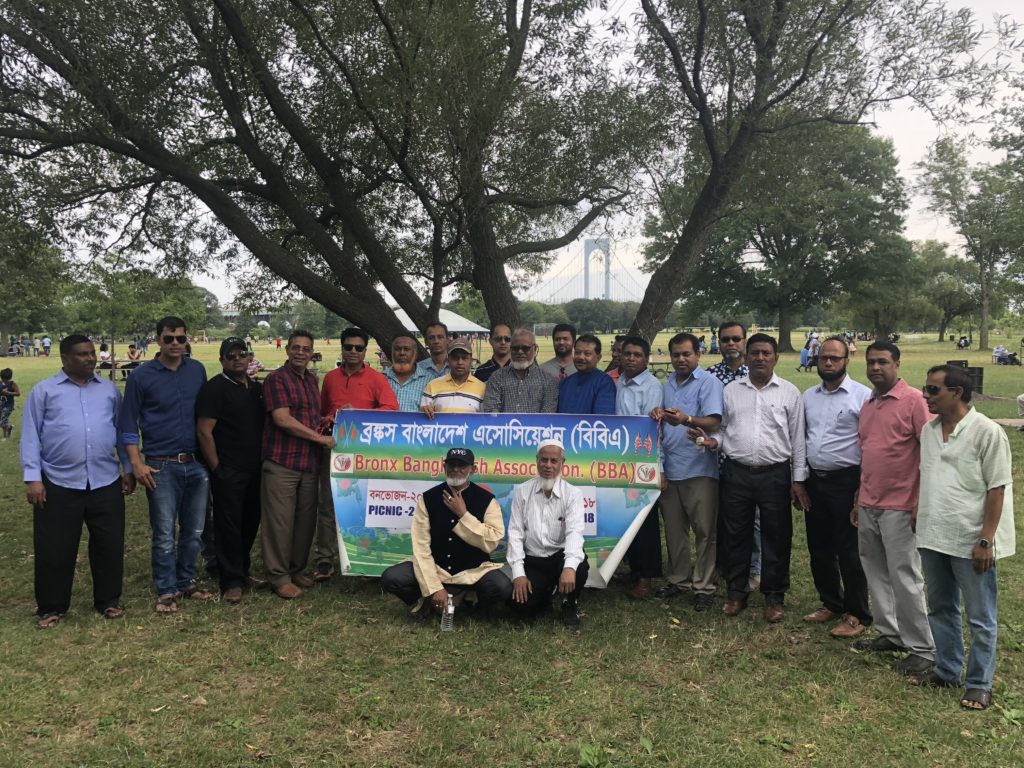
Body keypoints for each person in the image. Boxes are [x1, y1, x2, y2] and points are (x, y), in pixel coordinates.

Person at [915, 365, 1015, 710]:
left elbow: (997, 488)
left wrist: (986, 540)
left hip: (971, 539)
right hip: (933, 534)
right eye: (926, 389)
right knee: (941, 607)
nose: (925, 396)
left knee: (980, 616)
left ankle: (979, 683)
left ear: (957, 392)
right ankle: (947, 670)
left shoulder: (987, 431)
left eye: (933, 390)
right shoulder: (929, 431)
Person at [20, 335, 135, 627]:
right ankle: (51, 607)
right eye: (82, 354)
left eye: (92, 353)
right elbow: (31, 436)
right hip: (59, 482)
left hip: (104, 480)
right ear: (64, 358)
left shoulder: (109, 391)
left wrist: (128, 467)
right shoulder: (44, 391)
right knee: (55, 547)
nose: (90, 358)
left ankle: (108, 600)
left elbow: (120, 432)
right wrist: (33, 478)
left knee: (109, 544)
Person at [693, 333, 808, 623]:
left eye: (766, 353)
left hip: (775, 475)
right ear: (746, 357)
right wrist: (714, 442)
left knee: (777, 536)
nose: (760, 358)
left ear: (775, 358)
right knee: (735, 534)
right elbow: (723, 430)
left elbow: (798, 440)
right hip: (737, 472)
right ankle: (736, 593)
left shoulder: (789, 392)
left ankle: (774, 596)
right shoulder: (731, 391)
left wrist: (798, 480)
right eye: (755, 353)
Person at [854, 341, 935, 678]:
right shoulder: (868, 404)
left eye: (883, 362)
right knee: (875, 571)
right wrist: (858, 498)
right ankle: (890, 633)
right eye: (871, 362)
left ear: (897, 364)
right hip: (869, 501)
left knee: (905, 576)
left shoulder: (914, 401)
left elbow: (931, 453)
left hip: (901, 505)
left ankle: (922, 649)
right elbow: (867, 455)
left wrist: (920, 502)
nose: (876, 368)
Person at [120, 316, 211, 614]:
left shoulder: (196, 370)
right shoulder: (141, 376)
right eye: (169, 338)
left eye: (180, 338)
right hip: (160, 465)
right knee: (163, 533)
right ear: (158, 339)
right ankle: (167, 589)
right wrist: (135, 464)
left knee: (194, 530)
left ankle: (186, 581)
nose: (175, 344)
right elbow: (128, 425)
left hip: (196, 463)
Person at [379, 447, 512, 618]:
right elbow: (421, 547)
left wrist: (463, 514)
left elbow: (491, 542)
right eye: (451, 465)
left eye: (461, 465)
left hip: (473, 571)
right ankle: (428, 601)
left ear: (473, 469)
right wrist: (434, 588)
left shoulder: (487, 500)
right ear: (444, 467)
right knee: (392, 578)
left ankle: (473, 606)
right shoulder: (428, 499)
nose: (455, 469)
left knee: (502, 587)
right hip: (437, 568)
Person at [799, 337, 873, 638]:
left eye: (835, 358)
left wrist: (861, 488)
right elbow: (801, 439)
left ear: (846, 361)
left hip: (847, 481)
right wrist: (800, 480)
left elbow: (869, 444)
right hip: (815, 481)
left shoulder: (862, 396)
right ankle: (831, 602)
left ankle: (857, 614)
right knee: (819, 548)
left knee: (849, 551)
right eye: (823, 358)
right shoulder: (808, 397)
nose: (828, 362)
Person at [313, 327, 397, 582]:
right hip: (335, 448)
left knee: (362, 505)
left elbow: (391, 408)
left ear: (364, 351)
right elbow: (322, 410)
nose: (352, 351)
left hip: (363, 452)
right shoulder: (330, 378)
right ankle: (325, 559)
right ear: (341, 348)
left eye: (358, 348)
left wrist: (358, 414)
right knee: (327, 504)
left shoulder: (376, 379)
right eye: (348, 347)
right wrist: (328, 418)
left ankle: (364, 557)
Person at [649, 333, 724, 610]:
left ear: (698, 354)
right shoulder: (667, 384)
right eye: (676, 355)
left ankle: (704, 586)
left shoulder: (709, 383)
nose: (681, 359)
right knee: (674, 530)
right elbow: (662, 423)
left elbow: (714, 421)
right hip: (671, 468)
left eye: (686, 354)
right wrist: (657, 413)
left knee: (704, 531)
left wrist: (687, 419)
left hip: (699, 469)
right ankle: (679, 579)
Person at [261, 330, 336, 598]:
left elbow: (310, 418)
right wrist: (319, 438)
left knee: (305, 522)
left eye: (306, 349)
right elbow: (282, 419)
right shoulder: (276, 379)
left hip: (308, 462)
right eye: (296, 348)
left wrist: (330, 420)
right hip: (282, 461)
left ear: (312, 352)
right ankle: (278, 576)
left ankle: (295, 569)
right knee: (280, 522)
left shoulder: (311, 380)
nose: (300, 353)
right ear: (287, 350)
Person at [195, 337, 266, 604]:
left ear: (249, 358)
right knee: (228, 525)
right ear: (222, 360)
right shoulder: (215, 389)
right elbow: (204, 431)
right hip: (228, 469)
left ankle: (243, 571)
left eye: (242, 354)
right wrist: (217, 468)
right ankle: (230, 581)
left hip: (255, 469)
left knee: (250, 521)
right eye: (231, 355)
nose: (237, 359)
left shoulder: (256, 389)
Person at [507, 440, 589, 629]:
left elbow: (575, 533)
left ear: (562, 463)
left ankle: (569, 603)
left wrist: (569, 568)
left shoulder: (573, 494)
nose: (548, 466)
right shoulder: (522, 492)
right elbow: (515, 533)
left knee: (579, 566)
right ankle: (546, 596)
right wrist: (518, 574)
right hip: (533, 560)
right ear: (537, 460)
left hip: (559, 558)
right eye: (544, 460)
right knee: (521, 606)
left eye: (554, 461)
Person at [705, 321, 760, 591]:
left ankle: (754, 569)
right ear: (719, 342)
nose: (731, 344)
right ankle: (720, 565)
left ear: (744, 341)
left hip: (746, 461)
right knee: (720, 518)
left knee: (753, 520)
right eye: (725, 339)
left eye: (736, 339)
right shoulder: (710, 376)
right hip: (714, 459)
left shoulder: (756, 374)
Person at [615, 336, 664, 598]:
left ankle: (647, 577)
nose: (631, 359)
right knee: (627, 515)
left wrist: (659, 467)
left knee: (645, 520)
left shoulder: (652, 387)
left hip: (643, 461)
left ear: (646, 359)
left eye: (637, 355)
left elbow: (654, 431)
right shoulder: (620, 382)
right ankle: (634, 570)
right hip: (621, 461)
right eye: (627, 354)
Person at [480, 329, 559, 413]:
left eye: (525, 348)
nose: (520, 352)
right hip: (502, 422)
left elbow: (547, 415)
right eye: (515, 348)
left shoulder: (547, 380)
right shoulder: (497, 377)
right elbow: (491, 410)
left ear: (535, 349)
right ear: (510, 349)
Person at [420, 338, 486, 415]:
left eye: (464, 358)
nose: (460, 362)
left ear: (471, 361)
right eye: (455, 358)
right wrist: (425, 410)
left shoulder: (482, 388)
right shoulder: (432, 386)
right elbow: (423, 415)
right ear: (448, 361)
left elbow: (485, 418)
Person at [556, 334, 616, 414]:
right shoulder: (565, 383)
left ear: (598, 358)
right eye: (577, 352)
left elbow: (602, 418)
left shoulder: (604, 383)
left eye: (587, 353)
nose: (581, 357)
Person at [385, 333, 432, 411]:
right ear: (392, 352)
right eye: (397, 349)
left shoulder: (429, 380)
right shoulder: (381, 378)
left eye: (406, 349)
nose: (402, 353)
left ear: (415, 353)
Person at [0, 367, 20, 440]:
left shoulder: (13, 384)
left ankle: (9, 428)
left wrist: (8, 393)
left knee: (3, 422)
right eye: (3, 379)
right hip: (1, 405)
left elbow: (18, 393)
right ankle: (6, 434)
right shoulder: (0, 383)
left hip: (8, 405)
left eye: (6, 380)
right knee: (3, 421)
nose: (4, 381)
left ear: (10, 378)